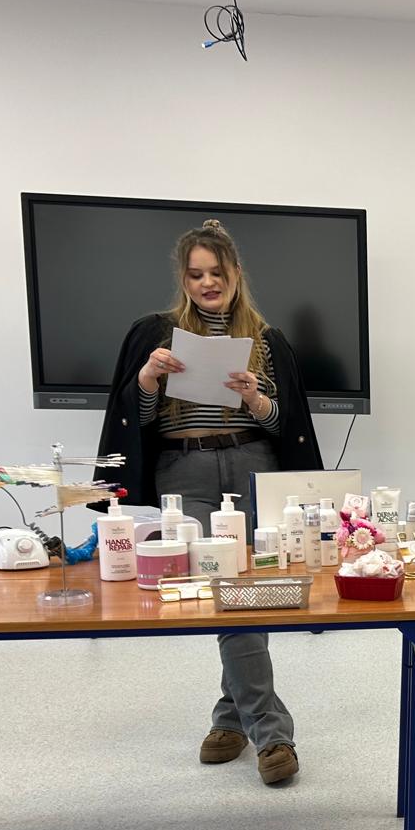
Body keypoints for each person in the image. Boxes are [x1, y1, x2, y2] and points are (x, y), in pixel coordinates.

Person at [97, 220, 323, 785]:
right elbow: (135, 423)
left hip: (253, 465)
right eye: (196, 275)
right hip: (184, 470)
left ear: (236, 274)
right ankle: (271, 730)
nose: (207, 283)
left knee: (245, 593)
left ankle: (232, 719)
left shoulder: (268, 341)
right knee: (227, 591)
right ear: (184, 279)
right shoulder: (156, 333)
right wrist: (148, 379)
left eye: (216, 273)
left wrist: (255, 398)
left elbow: (287, 425)